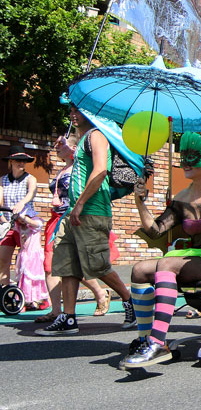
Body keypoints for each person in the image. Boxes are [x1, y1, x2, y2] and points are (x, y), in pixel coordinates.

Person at [120, 133, 201, 368]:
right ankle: (145, 338)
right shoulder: (183, 197)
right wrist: (139, 202)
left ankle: (158, 343)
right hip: (192, 258)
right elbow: (155, 230)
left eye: (192, 157)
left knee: (167, 264)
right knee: (139, 270)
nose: (185, 163)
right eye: (183, 156)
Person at [36, 105, 134, 336]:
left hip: (92, 211)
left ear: (91, 112)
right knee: (68, 264)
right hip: (73, 213)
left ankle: (131, 302)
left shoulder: (97, 135)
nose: (72, 114)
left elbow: (100, 171)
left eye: (77, 110)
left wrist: (79, 203)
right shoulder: (82, 140)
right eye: (71, 110)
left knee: (97, 265)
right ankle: (68, 317)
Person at [36, 136, 110, 324]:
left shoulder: (79, 170)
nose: (57, 146)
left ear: (75, 147)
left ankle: (106, 294)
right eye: (56, 144)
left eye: (62, 143)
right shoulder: (63, 170)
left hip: (75, 217)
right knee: (52, 265)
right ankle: (57, 311)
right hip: (57, 219)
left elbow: (99, 174)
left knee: (83, 264)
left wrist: (79, 206)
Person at [0, 146, 38, 286]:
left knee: (26, 260)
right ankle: (4, 293)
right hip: (8, 225)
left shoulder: (30, 178)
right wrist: (3, 219)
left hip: (25, 224)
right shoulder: (2, 180)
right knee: (3, 260)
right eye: (17, 160)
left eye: (23, 160)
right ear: (10, 161)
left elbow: (31, 193)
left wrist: (21, 204)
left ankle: (28, 296)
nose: (21, 163)